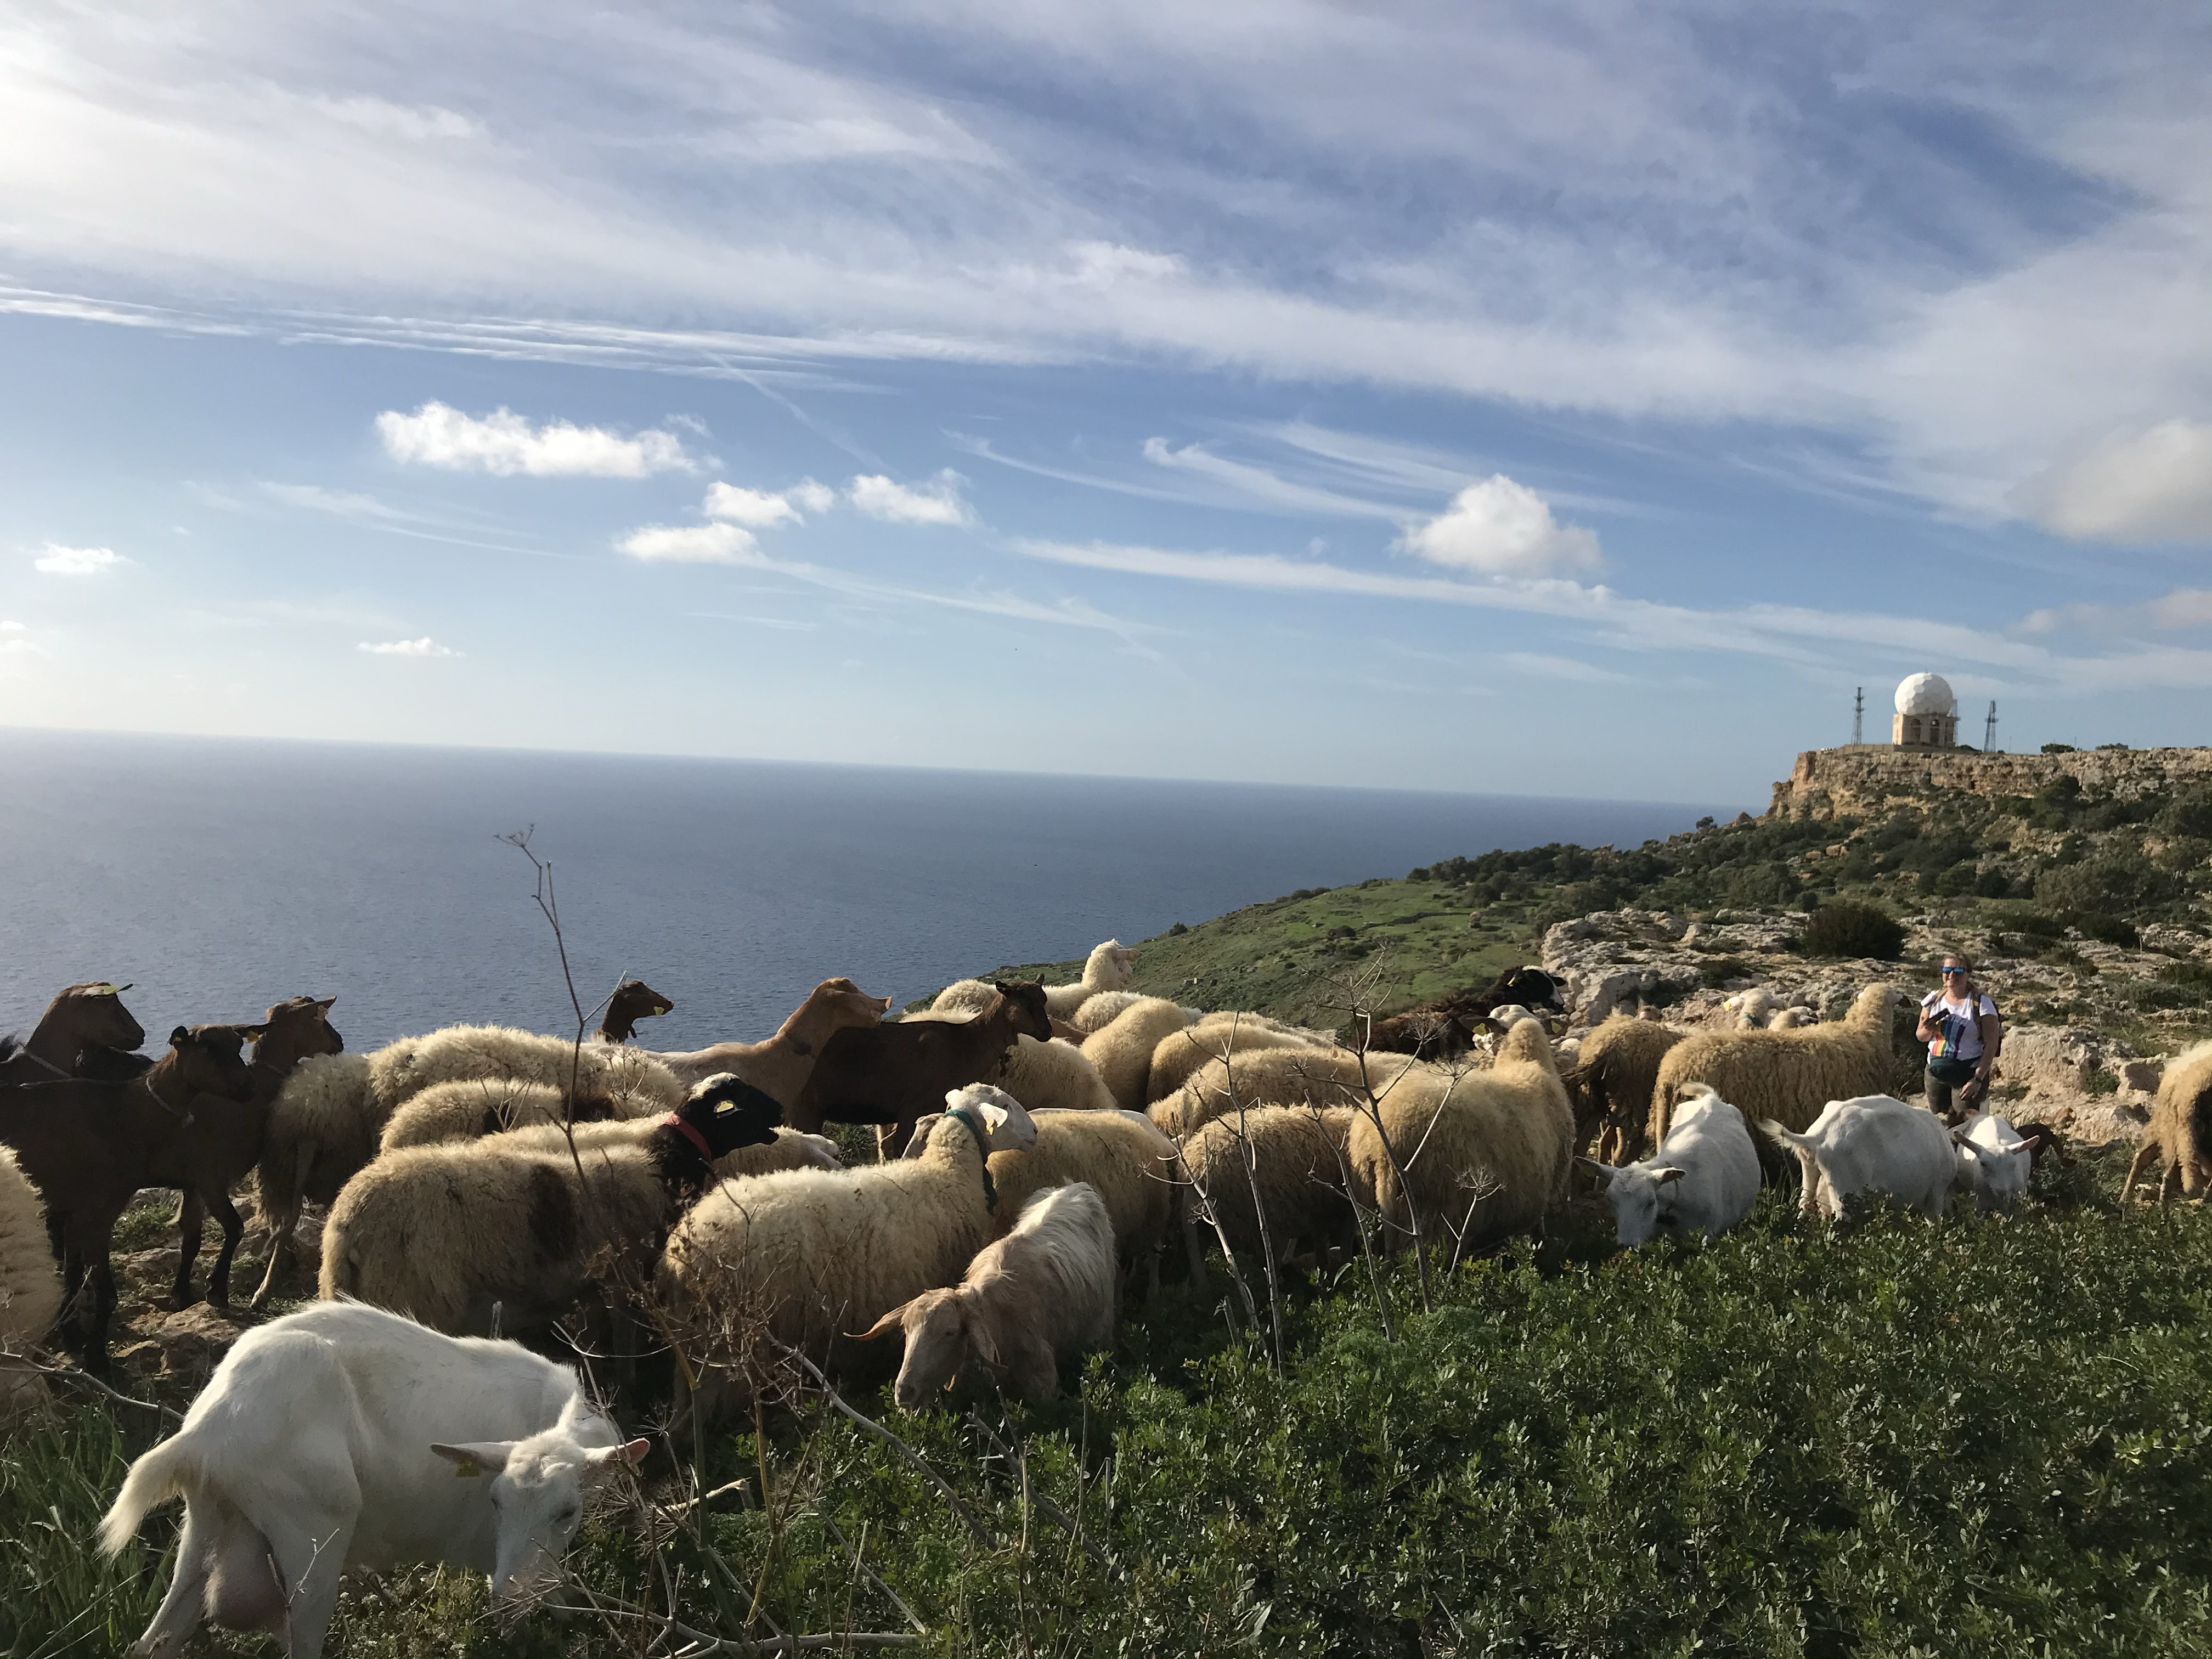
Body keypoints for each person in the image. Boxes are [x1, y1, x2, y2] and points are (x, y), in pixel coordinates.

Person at [1917, 952, 2001, 1124]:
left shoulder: (1982, 1004)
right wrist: (1929, 1029)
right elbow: (1921, 1036)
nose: (1951, 975)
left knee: (1967, 1126)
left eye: (1958, 970)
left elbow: (1991, 1045)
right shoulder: (1933, 1000)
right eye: (1947, 969)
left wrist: (1977, 1079)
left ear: (1968, 973)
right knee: (1939, 1124)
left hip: (1967, 1075)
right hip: (1936, 1073)